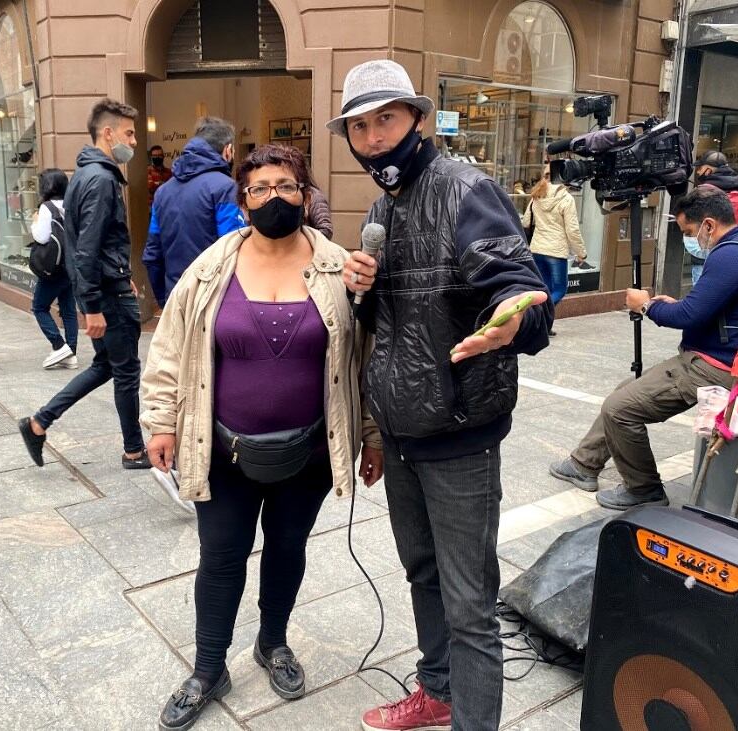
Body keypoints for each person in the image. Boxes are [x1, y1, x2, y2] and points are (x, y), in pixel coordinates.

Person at [335, 60, 552, 731]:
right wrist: (359, 291)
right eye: (359, 126)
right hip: (401, 432)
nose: (372, 138)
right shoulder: (380, 207)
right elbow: (388, 328)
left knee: (468, 602)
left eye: (386, 120)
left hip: (458, 431)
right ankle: (437, 690)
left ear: (417, 120)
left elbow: (518, 289)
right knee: (421, 572)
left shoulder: (465, 188)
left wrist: (511, 318)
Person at [142, 143, 383, 731]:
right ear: (242, 198)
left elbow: (365, 358)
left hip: (309, 453)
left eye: (285, 185)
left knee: (286, 551)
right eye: (259, 188)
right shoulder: (211, 268)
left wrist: (371, 434)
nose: (273, 196)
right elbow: (170, 346)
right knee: (220, 560)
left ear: (305, 193)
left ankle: (272, 644)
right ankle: (207, 668)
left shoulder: (339, 268)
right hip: (222, 450)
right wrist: (161, 421)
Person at [550, 186, 738, 510]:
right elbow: (713, 308)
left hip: (716, 367)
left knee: (621, 408)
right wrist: (677, 303)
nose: (691, 240)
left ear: (709, 225)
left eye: (690, 231)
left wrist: (646, 305)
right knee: (626, 389)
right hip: (724, 360)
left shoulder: (731, 256)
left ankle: (643, 488)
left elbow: (688, 316)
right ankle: (584, 463)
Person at [17, 99, 151, 470]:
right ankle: (134, 450)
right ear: (107, 133)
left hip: (107, 288)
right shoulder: (101, 179)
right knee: (125, 372)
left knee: (107, 366)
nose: (134, 141)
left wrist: (117, 281)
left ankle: (39, 422)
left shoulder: (85, 175)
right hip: (106, 295)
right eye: (129, 133)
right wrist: (92, 305)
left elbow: (94, 245)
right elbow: (87, 249)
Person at [142, 117, 244, 307]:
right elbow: (234, 250)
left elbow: (152, 256)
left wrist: (165, 302)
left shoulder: (162, 192)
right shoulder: (225, 188)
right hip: (214, 301)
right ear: (228, 150)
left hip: (176, 297)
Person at [28, 168, 79, 369]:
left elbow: (41, 237)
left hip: (53, 267)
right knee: (68, 309)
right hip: (70, 265)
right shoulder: (72, 204)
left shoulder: (47, 207)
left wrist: (34, 222)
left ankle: (59, 345)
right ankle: (71, 353)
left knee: (39, 307)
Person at [522, 170, 586, 324]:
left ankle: (544, 326)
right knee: (559, 289)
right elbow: (572, 229)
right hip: (555, 252)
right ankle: (537, 317)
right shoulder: (566, 198)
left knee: (545, 289)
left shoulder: (537, 194)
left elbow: (525, 221)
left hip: (537, 249)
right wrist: (581, 252)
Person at [694, 150, 738, 233]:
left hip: (708, 242)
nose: (698, 172)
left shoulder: (702, 192)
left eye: (700, 168)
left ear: (708, 170)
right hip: (736, 240)